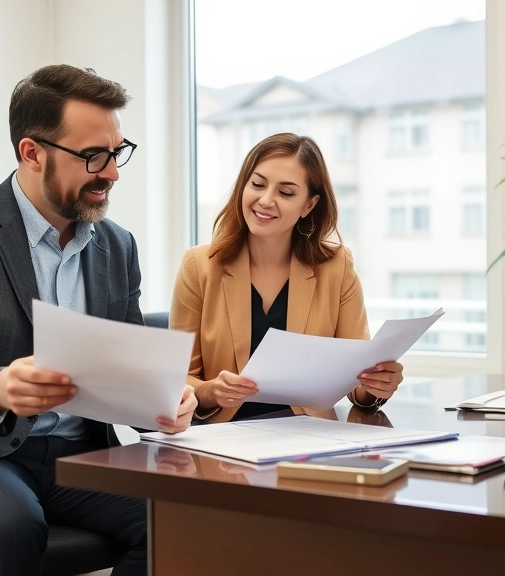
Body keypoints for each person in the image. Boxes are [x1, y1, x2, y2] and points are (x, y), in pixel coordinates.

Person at [0, 64, 198, 576]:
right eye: (94, 156)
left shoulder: (118, 246)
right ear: (32, 153)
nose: (112, 173)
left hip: (79, 457)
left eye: (118, 152)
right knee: (9, 523)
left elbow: (130, 376)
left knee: (183, 511)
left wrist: (163, 402)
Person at [170, 133, 403, 423]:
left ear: (309, 205)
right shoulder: (199, 266)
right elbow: (179, 378)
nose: (266, 200)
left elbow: (357, 380)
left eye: (286, 192)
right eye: (257, 184)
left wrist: (376, 384)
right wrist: (211, 391)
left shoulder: (337, 267)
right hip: (223, 435)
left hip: (309, 435)